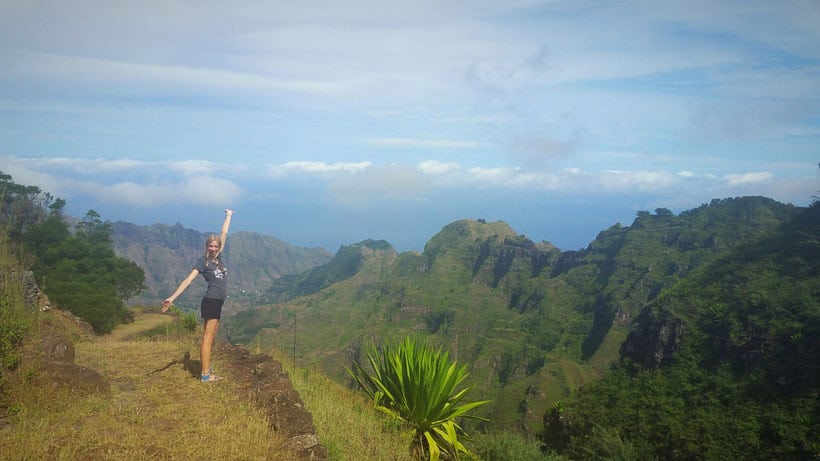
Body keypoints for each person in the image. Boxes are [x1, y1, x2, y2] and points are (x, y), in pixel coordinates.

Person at [162, 209, 234, 382]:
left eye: (216, 246)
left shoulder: (219, 258)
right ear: (206, 247)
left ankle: (206, 368)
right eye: (211, 246)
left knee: (211, 337)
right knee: (208, 338)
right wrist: (172, 298)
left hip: (218, 302)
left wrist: (229, 215)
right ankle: (205, 375)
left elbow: (224, 232)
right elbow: (188, 281)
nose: (213, 248)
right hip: (211, 302)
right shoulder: (203, 262)